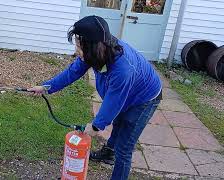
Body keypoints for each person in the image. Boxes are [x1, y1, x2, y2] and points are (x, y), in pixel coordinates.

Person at [28, 15, 162, 180]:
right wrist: (46, 87)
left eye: (79, 46)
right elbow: (73, 72)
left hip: (145, 98)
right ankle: (108, 153)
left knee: (124, 147)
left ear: (92, 47)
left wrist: (96, 126)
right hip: (128, 92)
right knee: (119, 121)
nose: (77, 51)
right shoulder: (96, 50)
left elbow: (114, 102)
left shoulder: (123, 69)